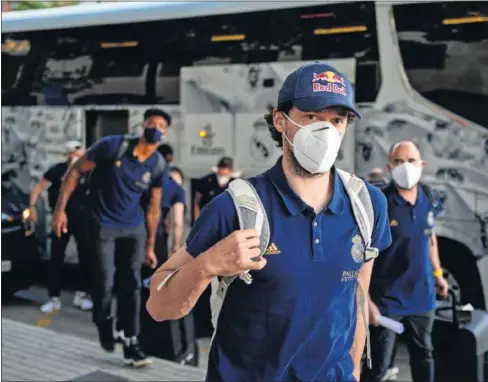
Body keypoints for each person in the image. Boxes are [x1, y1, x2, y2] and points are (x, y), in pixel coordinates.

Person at [146, 62, 392, 381]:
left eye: (337, 120)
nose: (326, 132)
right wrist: (206, 265)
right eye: (311, 117)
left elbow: (358, 293)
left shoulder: (368, 204)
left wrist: (355, 371)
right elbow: (159, 306)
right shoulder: (236, 208)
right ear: (280, 120)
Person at [51, 108, 171, 367]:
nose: (155, 127)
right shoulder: (113, 146)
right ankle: (104, 322)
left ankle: (132, 342)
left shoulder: (159, 164)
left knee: (133, 284)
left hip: (134, 228)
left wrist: (150, 246)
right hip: (101, 224)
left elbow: (153, 208)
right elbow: (74, 171)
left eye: (161, 124)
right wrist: (60, 210)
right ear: (143, 126)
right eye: (151, 122)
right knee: (104, 282)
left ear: (165, 133)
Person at [363, 141, 448, 382]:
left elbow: (430, 238)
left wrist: (438, 274)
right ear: (389, 167)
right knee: (378, 367)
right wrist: (366, 301)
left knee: (424, 356)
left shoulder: (429, 197)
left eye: (410, 161)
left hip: (422, 297)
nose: (405, 167)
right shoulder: (381, 203)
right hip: (387, 301)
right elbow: (363, 253)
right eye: (398, 161)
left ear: (422, 165)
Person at [29, 141, 93, 313]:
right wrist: (31, 207)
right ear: (68, 154)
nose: (78, 155)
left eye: (80, 152)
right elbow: (37, 189)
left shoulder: (88, 171)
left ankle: (82, 294)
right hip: (60, 219)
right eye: (74, 152)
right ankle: (54, 298)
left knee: (85, 256)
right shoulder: (57, 170)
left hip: (82, 219)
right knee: (56, 257)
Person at [192, 156, 235, 222]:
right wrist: (197, 220)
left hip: (227, 220)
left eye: (226, 168)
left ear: (231, 170)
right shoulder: (207, 181)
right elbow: (197, 201)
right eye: (222, 167)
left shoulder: (235, 183)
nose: (223, 170)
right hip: (208, 218)